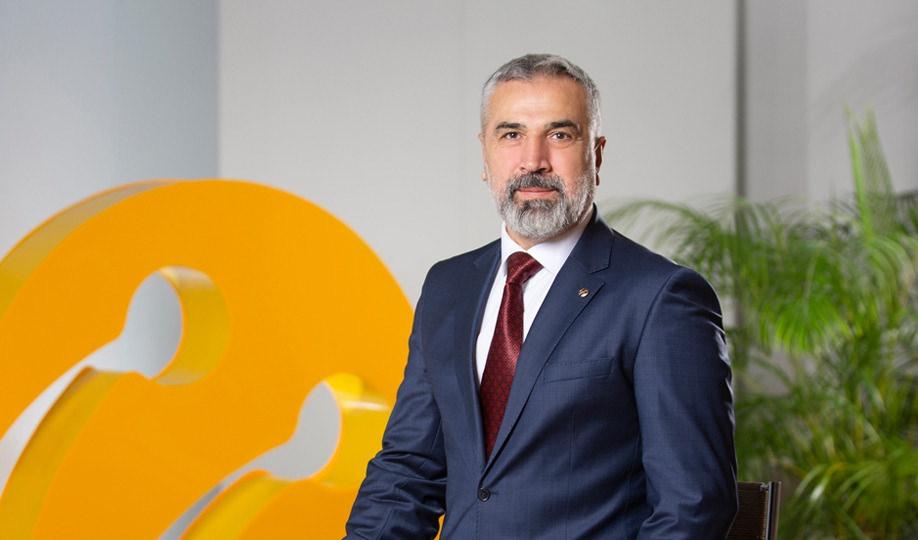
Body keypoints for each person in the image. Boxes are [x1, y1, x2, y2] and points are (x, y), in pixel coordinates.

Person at [345, 53, 737, 539]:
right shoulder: (449, 287)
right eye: (511, 134)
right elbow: (407, 472)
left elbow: (693, 506)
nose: (533, 160)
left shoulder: (661, 298)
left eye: (560, 135)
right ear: (485, 155)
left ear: (596, 155)